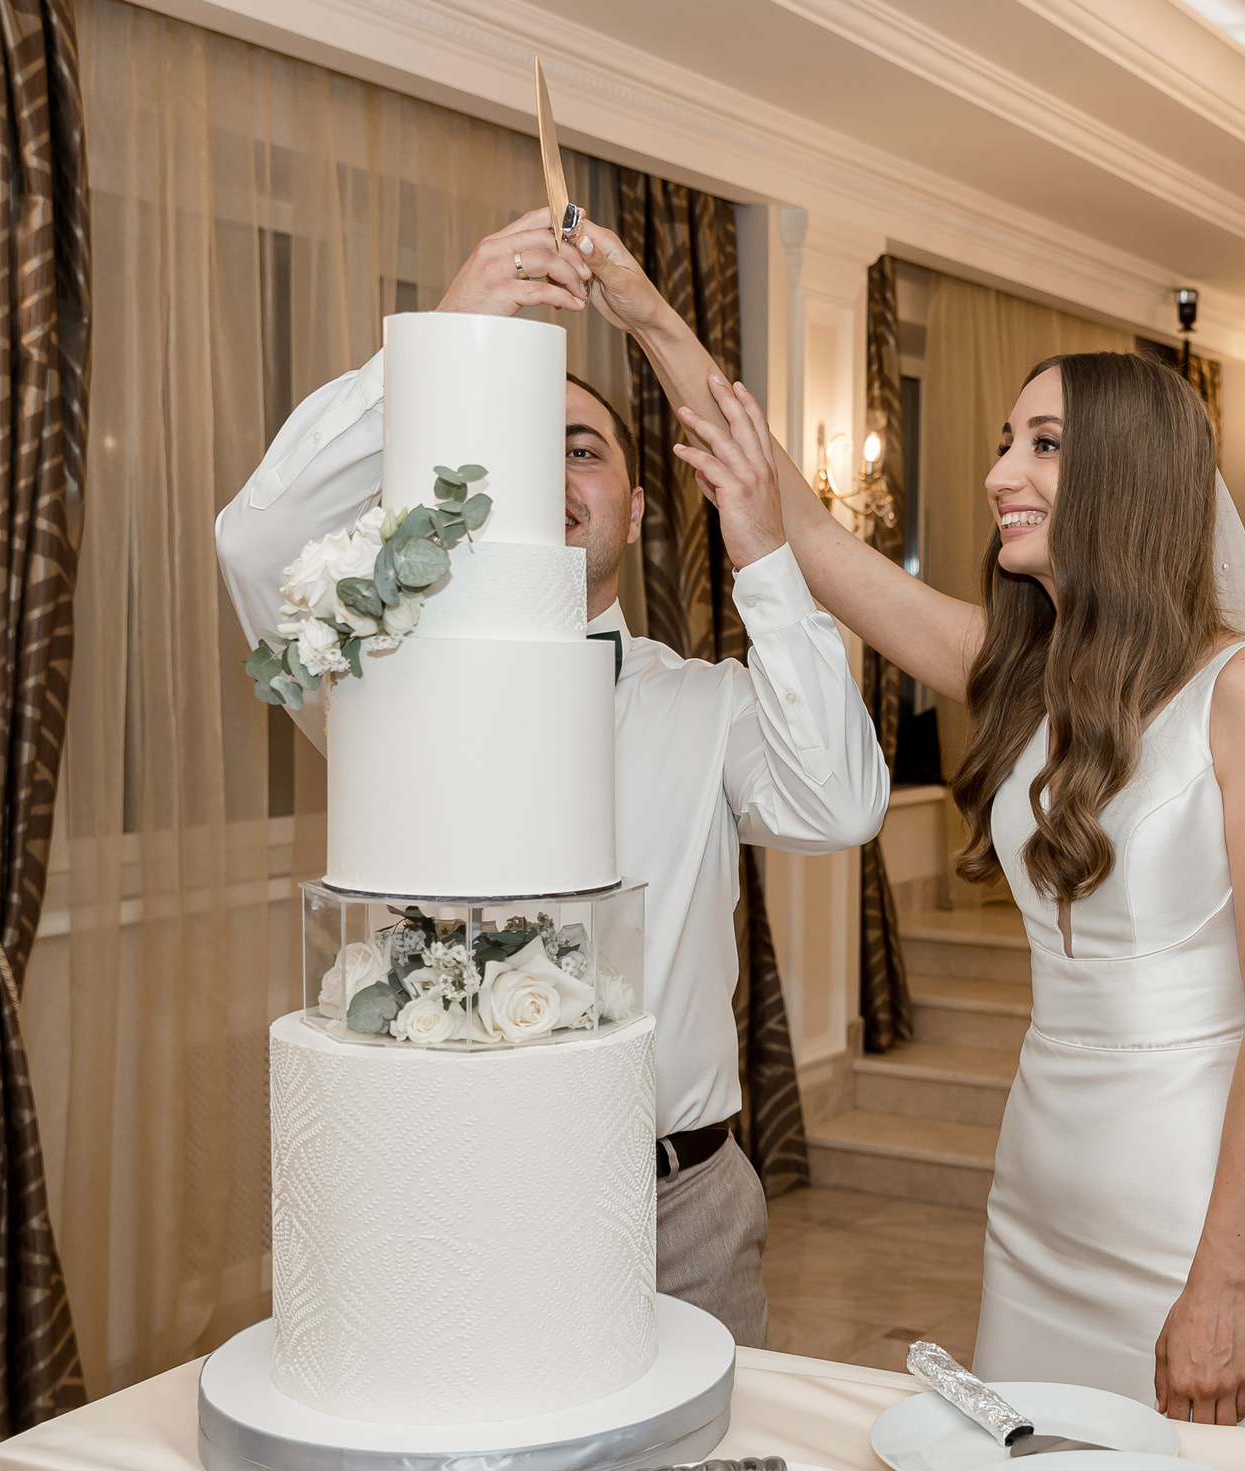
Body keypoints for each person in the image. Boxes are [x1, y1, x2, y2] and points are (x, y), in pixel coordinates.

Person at [553, 217, 1245, 1432]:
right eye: (1003, 442)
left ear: (1129, 477)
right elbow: (802, 529)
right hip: (1041, 1188)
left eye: (1043, 445)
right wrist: (648, 316)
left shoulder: (1242, 694)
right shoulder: (1019, 675)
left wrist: (1221, 1281)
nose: (999, 475)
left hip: (1188, 1194)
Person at [213, 209, 891, 1346]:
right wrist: (439, 343)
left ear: (636, 505)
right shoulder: (384, 681)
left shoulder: (707, 703)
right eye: (519, 442)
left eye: (581, 448)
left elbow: (842, 804)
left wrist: (765, 552)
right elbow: (252, 544)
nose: (551, 468)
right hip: (455, 1194)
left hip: (683, 1207)